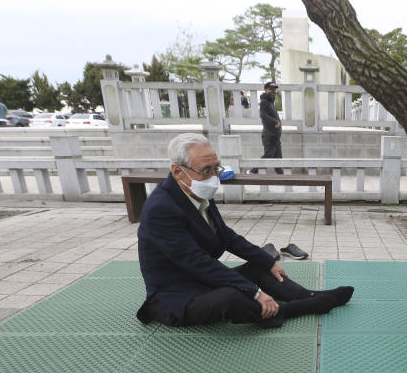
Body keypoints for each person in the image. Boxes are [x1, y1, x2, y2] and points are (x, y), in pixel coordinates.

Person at [136, 133, 353, 328]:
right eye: (206, 171)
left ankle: (308, 296)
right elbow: (197, 263)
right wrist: (255, 292)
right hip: (176, 295)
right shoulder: (161, 210)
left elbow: (226, 236)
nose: (214, 177)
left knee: (259, 267)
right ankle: (291, 309)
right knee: (231, 296)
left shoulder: (196, 192)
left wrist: (268, 261)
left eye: (216, 168)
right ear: (177, 171)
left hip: (203, 280)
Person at [250, 81, 283, 174]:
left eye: (274, 89)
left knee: (278, 158)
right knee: (268, 156)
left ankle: (281, 175)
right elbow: (263, 115)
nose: (273, 91)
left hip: (275, 136)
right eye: (271, 89)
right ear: (265, 90)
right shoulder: (264, 102)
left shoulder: (271, 102)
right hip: (269, 135)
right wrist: (275, 122)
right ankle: (253, 171)